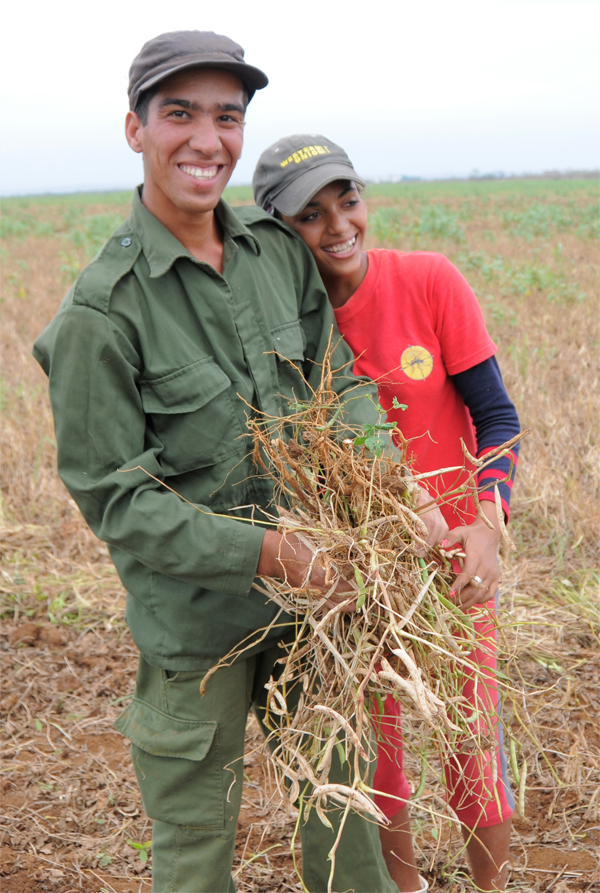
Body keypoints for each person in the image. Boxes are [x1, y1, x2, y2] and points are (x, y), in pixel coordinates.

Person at [32, 35, 412, 893]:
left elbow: (336, 379)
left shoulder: (277, 256)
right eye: (180, 114)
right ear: (135, 130)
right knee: (198, 852)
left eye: (227, 117)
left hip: (318, 614)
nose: (207, 139)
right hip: (197, 626)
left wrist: (384, 474)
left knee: (347, 826)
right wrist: (269, 554)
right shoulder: (104, 310)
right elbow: (118, 502)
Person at [253, 134, 521, 893]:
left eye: (349, 200)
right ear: (279, 229)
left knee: (473, 742)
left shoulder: (429, 281)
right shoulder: (292, 335)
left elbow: (498, 419)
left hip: (455, 568)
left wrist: (488, 525)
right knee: (383, 758)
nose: (339, 224)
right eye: (312, 214)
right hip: (357, 575)